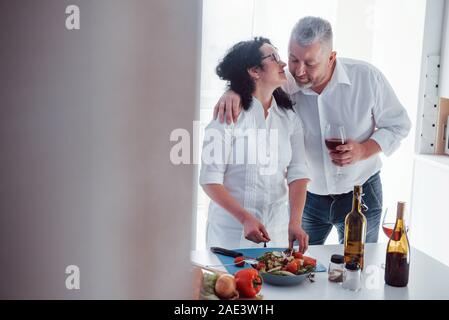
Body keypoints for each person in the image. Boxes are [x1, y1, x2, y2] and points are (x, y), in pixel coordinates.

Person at [213, 17, 411, 247]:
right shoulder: (284, 82)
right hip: (309, 198)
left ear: (331, 58)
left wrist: (363, 150)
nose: (298, 71)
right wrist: (233, 92)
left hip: (360, 192)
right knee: (300, 266)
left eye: (310, 63)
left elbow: (399, 124)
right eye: (293, 59)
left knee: (357, 266)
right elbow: (252, 82)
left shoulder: (366, 78)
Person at [199, 37, 310, 251]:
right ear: (254, 70)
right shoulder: (228, 114)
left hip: (276, 235)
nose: (283, 64)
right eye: (274, 58)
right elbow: (209, 180)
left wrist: (295, 221)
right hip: (230, 237)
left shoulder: (289, 118)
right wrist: (245, 218)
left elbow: (298, 172)